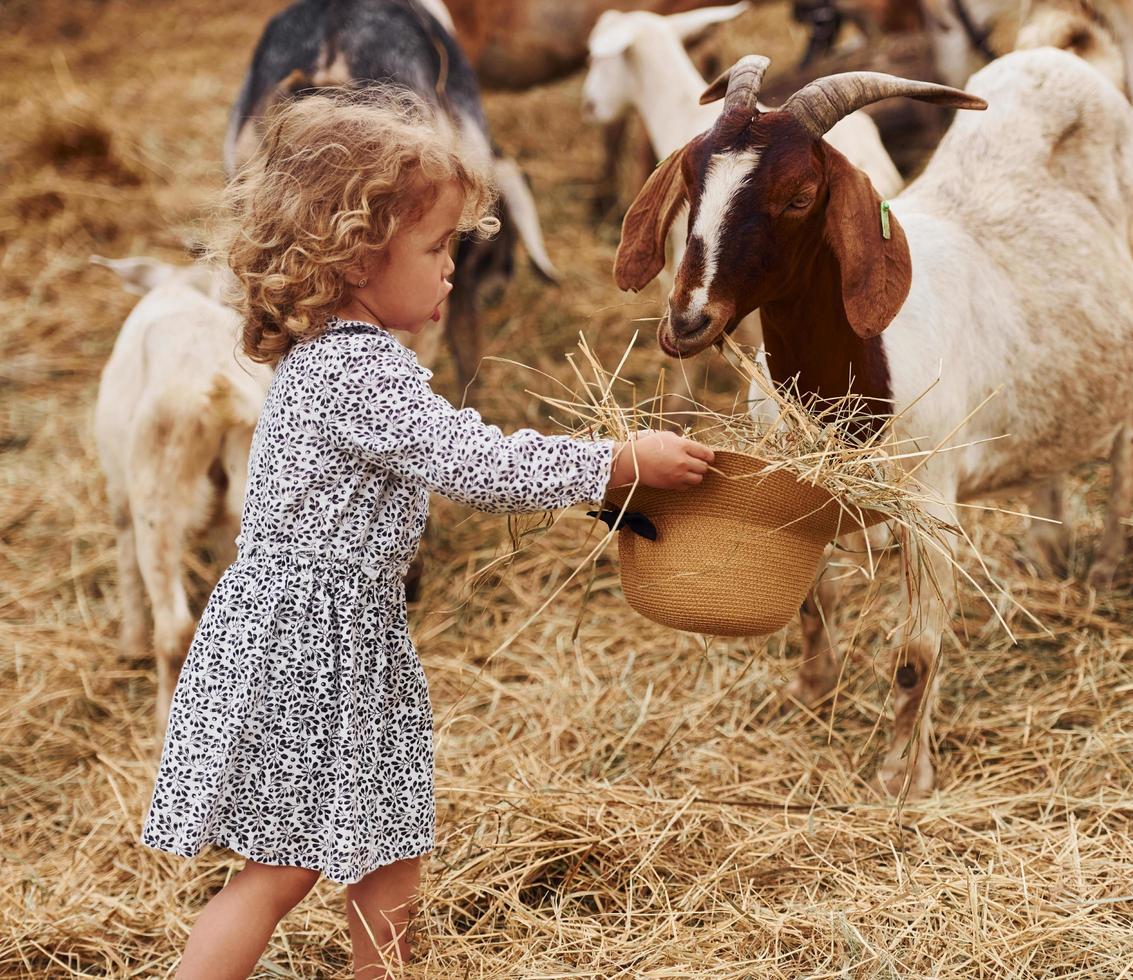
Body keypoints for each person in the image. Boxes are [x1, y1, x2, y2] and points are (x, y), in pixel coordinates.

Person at [139, 86, 712, 979]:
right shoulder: (358, 368)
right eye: (438, 247)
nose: (454, 268)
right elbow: (476, 466)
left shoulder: (340, 355)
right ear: (358, 254)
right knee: (280, 870)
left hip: (349, 635)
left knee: (390, 849)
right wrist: (617, 462)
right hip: (307, 642)